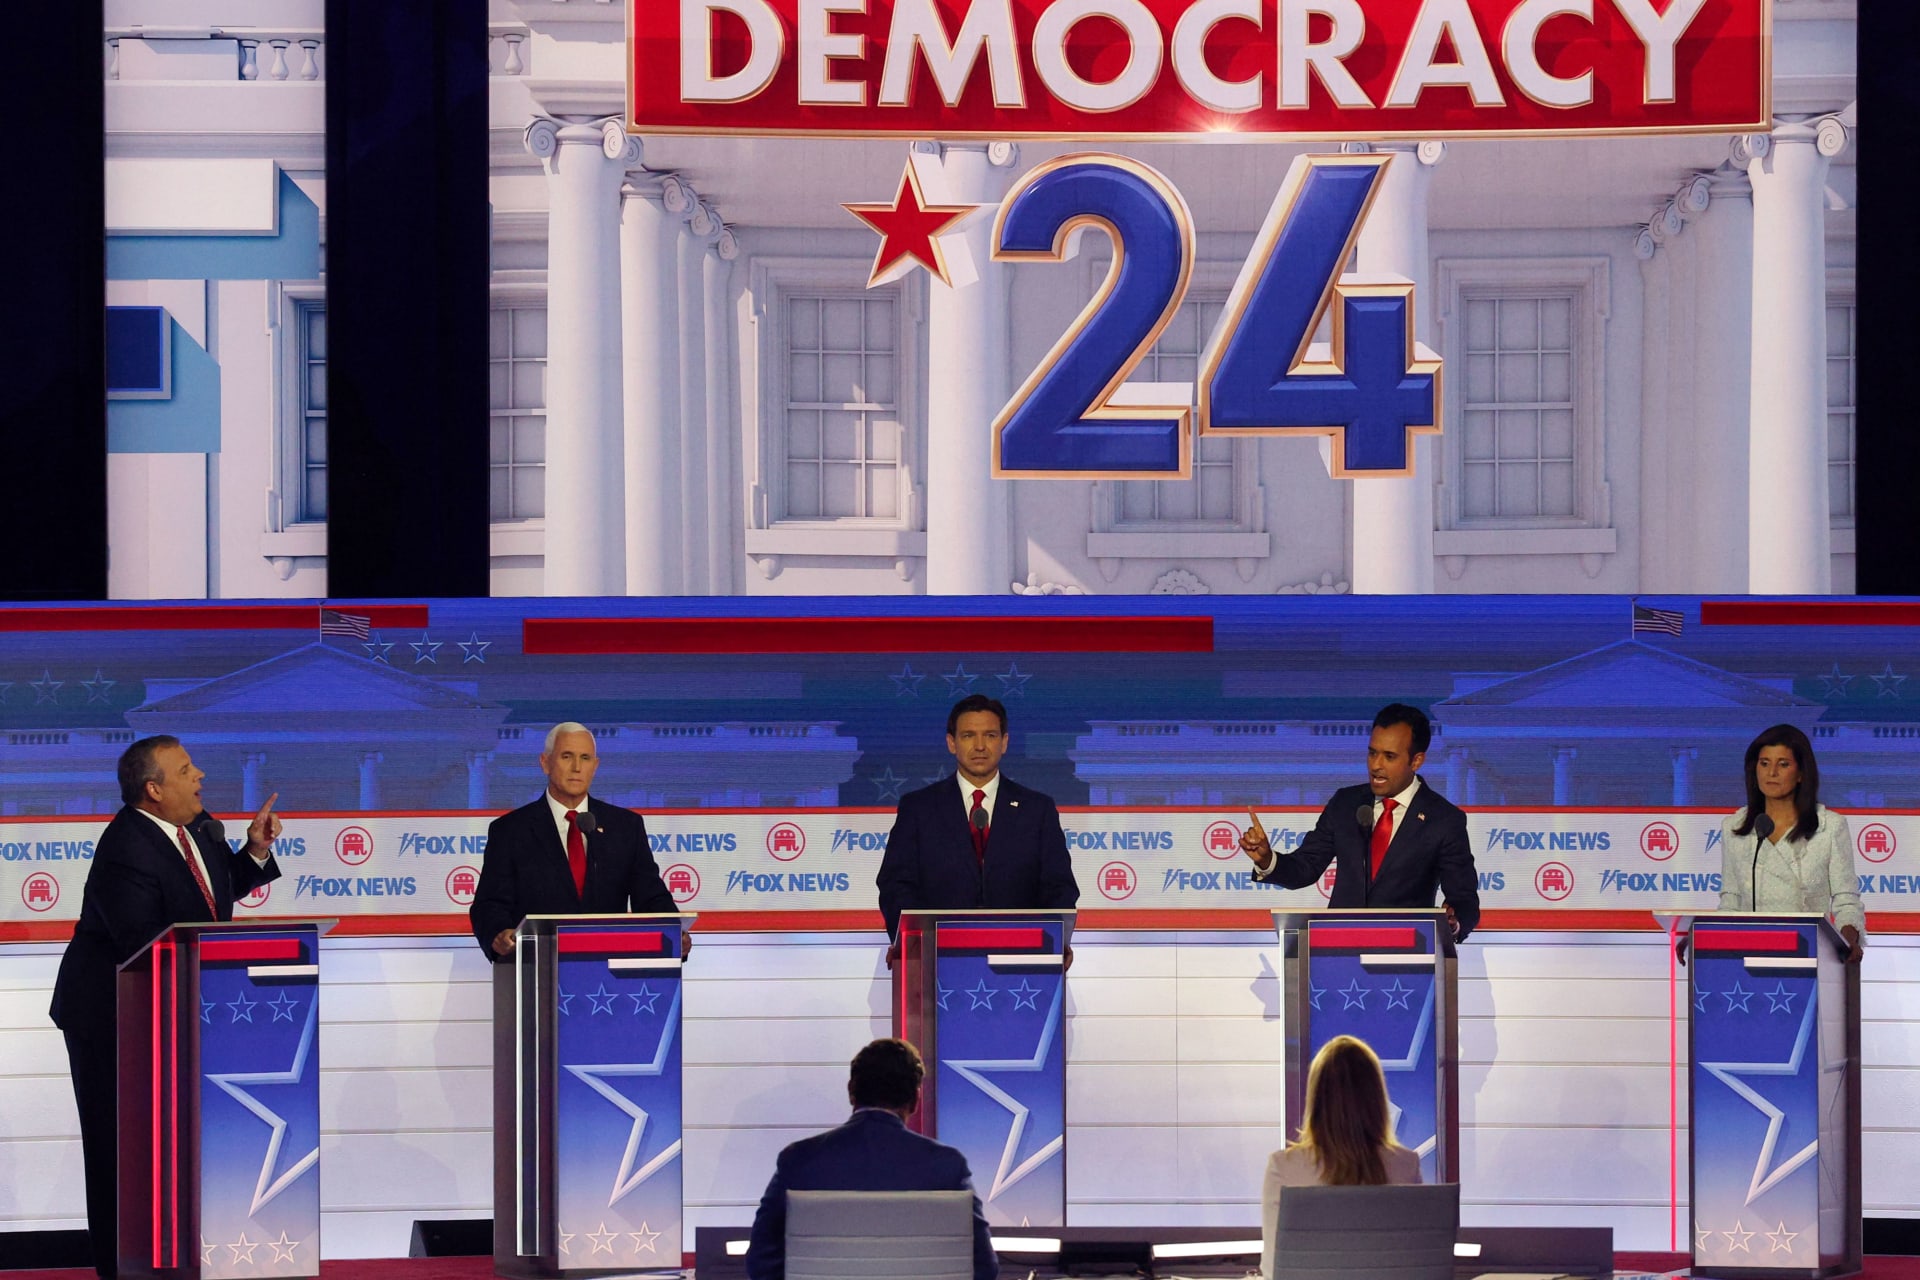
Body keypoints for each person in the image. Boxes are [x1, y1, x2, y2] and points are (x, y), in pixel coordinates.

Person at [49, 736, 284, 1279]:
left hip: (175, 1011)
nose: (200, 775)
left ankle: (175, 1255)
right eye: (186, 769)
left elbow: (212, 894)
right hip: (111, 1016)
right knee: (117, 1148)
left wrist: (255, 851)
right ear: (154, 790)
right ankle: (120, 1267)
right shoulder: (124, 844)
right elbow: (142, 938)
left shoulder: (199, 829)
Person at [745, 1038, 997, 1280]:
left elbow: (760, 1262)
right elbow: (984, 1267)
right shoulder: (948, 1166)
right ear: (916, 1100)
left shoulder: (798, 1160)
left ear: (851, 1092)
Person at [1240, 703, 1480, 940]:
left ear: (1416, 761)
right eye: (1372, 752)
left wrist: (1454, 922)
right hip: (1337, 951)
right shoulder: (1345, 803)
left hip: (1407, 957)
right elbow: (1305, 867)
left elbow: (1464, 898)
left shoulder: (1444, 819)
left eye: (1389, 756)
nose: (1376, 765)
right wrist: (1266, 859)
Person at [876, 694, 1079, 945]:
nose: (980, 746)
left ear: (1004, 742)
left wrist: (1055, 941)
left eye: (991, 735)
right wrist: (910, 941)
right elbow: (896, 885)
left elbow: (1059, 888)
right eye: (968, 735)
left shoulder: (1038, 810)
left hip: (1021, 958)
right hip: (937, 956)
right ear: (952, 743)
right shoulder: (919, 808)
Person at [468, 722, 677, 960]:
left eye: (585, 758)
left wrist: (675, 933)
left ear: (595, 766)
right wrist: (498, 934)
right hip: (537, 967)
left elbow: (651, 897)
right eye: (567, 756)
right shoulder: (510, 830)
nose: (577, 767)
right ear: (545, 762)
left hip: (609, 971)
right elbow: (489, 904)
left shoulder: (625, 827)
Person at [1260, 1034, 1421, 1280]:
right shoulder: (1406, 1165)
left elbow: (1274, 1271)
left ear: (1316, 1098)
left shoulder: (1283, 1168)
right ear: (1376, 1097)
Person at [1717, 723, 1865, 962]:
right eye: (1764, 763)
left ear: (1801, 773)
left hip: (1811, 954)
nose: (1771, 773)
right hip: (1748, 956)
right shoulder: (1734, 827)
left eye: (1783, 764)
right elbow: (1731, 901)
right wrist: (1702, 940)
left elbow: (1846, 900)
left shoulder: (1829, 827)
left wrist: (1848, 938)